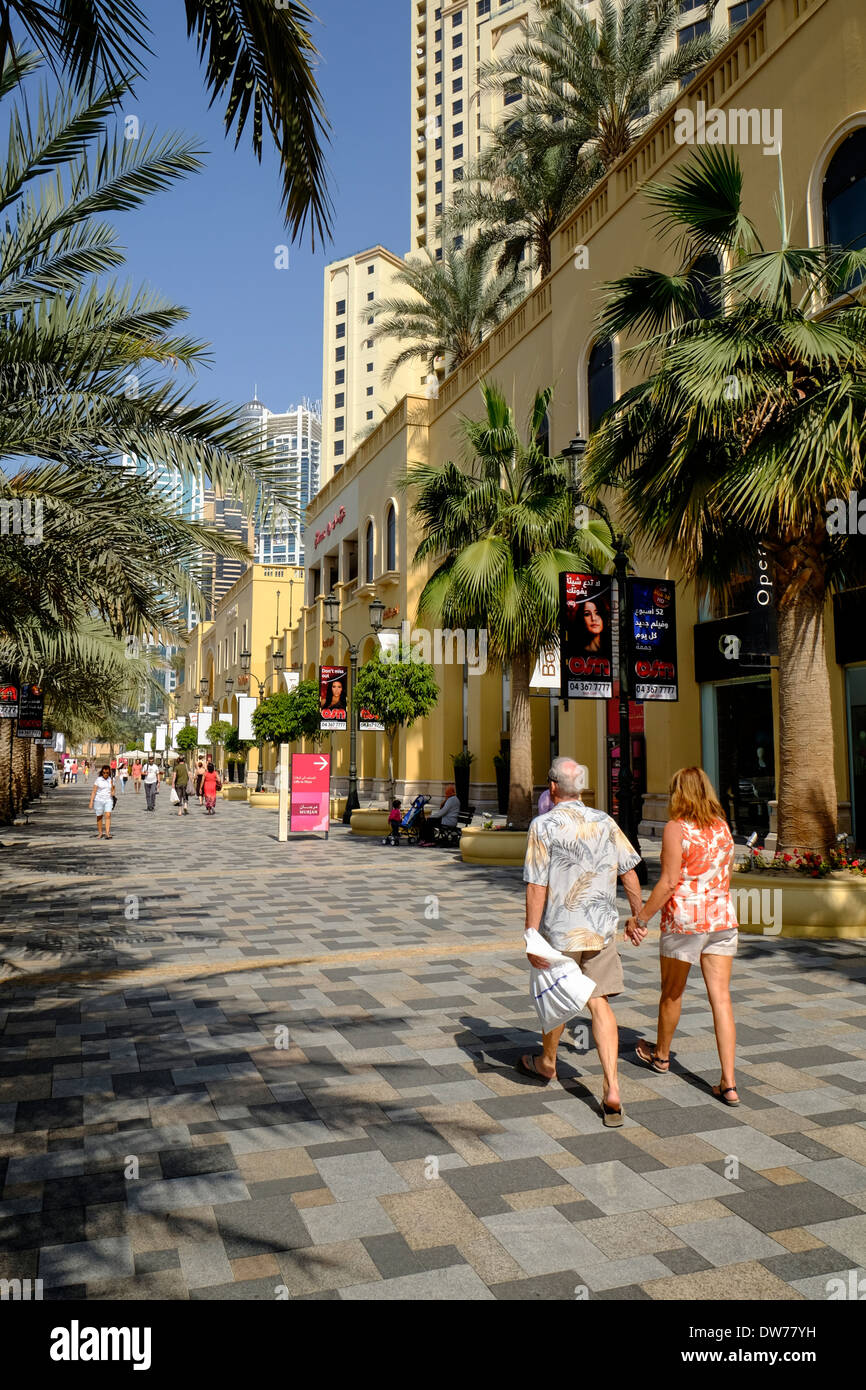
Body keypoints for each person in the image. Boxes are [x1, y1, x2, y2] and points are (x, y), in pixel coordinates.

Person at [521, 756, 644, 1126]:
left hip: (561, 930)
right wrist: (637, 916)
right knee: (600, 1003)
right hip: (600, 931)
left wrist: (531, 934)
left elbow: (536, 884)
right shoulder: (605, 821)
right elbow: (629, 871)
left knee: (555, 996)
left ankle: (547, 1063)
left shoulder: (542, 826)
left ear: (553, 787)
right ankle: (612, 1089)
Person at [628, 766, 740, 1106]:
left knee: (672, 992)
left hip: (685, 921)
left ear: (679, 793)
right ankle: (729, 1082)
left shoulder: (676, 828)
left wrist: (641, 918)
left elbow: (669, 881)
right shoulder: (722, 827)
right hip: (721, 919)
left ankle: (661, 1056)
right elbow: (727, 874)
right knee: (721, 999)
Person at [88, 764, 115, 839]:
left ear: (109, 773)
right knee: (99, 816)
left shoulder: (111, 779)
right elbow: (94, 791)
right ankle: (100, 832)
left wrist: (113, 792)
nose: (105, 774)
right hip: (98, 800)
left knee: (108, 815)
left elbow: (113, 789)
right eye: (104, 772)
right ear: (102, 772)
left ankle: (107, 833)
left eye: (107, 773)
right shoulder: (98, 780)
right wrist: (91, 802)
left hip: (108, 800)